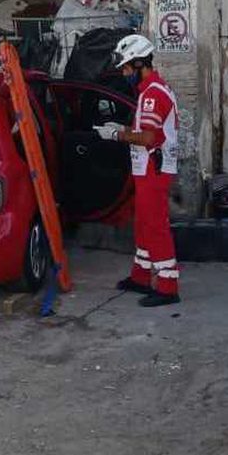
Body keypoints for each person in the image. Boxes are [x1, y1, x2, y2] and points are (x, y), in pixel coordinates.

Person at [94, 35, 181, 307]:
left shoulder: (153, 94)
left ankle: (168, 286)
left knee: (155, 226)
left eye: (126, 68)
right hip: (147, 169)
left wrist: (117, 136)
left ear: (140, 63)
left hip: (154, 168)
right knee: (143, 223)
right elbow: (144, 134)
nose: (123, 73)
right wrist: (123, 130)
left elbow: (149, 138)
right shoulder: (149, 91)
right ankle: (141, 276)